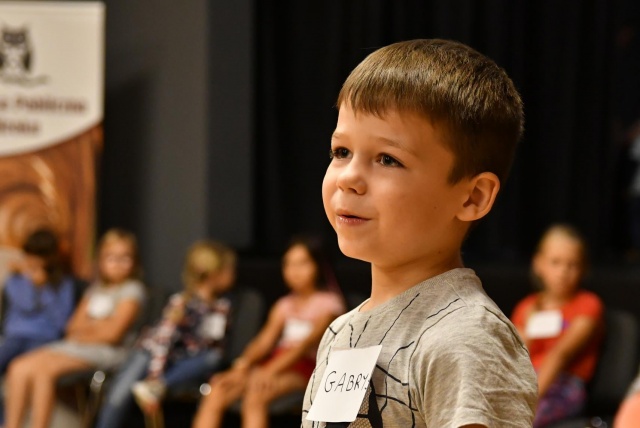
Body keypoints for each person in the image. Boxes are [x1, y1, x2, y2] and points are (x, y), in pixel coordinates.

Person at [300, 39, 537, 428]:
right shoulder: (340, 331)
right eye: (341, 152)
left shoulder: (465, 335)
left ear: (473, 197)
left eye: (387, 159)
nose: (349, 178)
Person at [192, 235, 345, 428]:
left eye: (302, 263)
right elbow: (264, 341)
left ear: (318, 266)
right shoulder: (284, 305)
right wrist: (242, 366)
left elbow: (304, 346)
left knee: (256, 395)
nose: (294, 271)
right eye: (288, 264)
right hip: (275, 363)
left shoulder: (329, 305)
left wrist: (267, 372)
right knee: (216, 391)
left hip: (307, 368)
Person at [5, 228, 146, 428]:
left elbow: (112, 335)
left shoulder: (132, 291)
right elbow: (72, 327)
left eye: (125, 258)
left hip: (108, 352)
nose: (117, 264)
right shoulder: (96, 289)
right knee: (18, 367)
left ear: (135, 261)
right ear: (101, 260)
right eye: (111, 258)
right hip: (76, 345)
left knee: (43, 371)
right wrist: (100, 326)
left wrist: (89, 328)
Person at [94, 240, 237, 428]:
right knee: (119, 395)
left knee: (214, 357)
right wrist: (154, 375)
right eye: (228, 270)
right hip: (152, 353)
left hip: (181, 359)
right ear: (213, 273)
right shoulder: (182, 303)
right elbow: (162, 341)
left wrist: (157, 384)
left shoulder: (222, 307)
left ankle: (156, 387)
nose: (233, 274)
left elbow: (214, 345)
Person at [512, 224, 603, 427]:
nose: (563, 272)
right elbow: (517, 355)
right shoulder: (527, 306)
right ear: (538, 264)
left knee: (519, 419)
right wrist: (529, 329)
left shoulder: (588, 304)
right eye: (555, 263)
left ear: (583, 268)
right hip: (525, 379)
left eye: (572, 265)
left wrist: (528, 401)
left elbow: (560, 355)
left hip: (564, 384)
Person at [0, 229, 75, 424]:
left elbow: (62, 322)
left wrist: (45, 288)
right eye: (29, 254)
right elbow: (26, 304)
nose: (33, 260)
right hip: (14, 337)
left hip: (44, 339)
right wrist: (29, 280)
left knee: (23, 369)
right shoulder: (16, 279)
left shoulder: (63, 284)